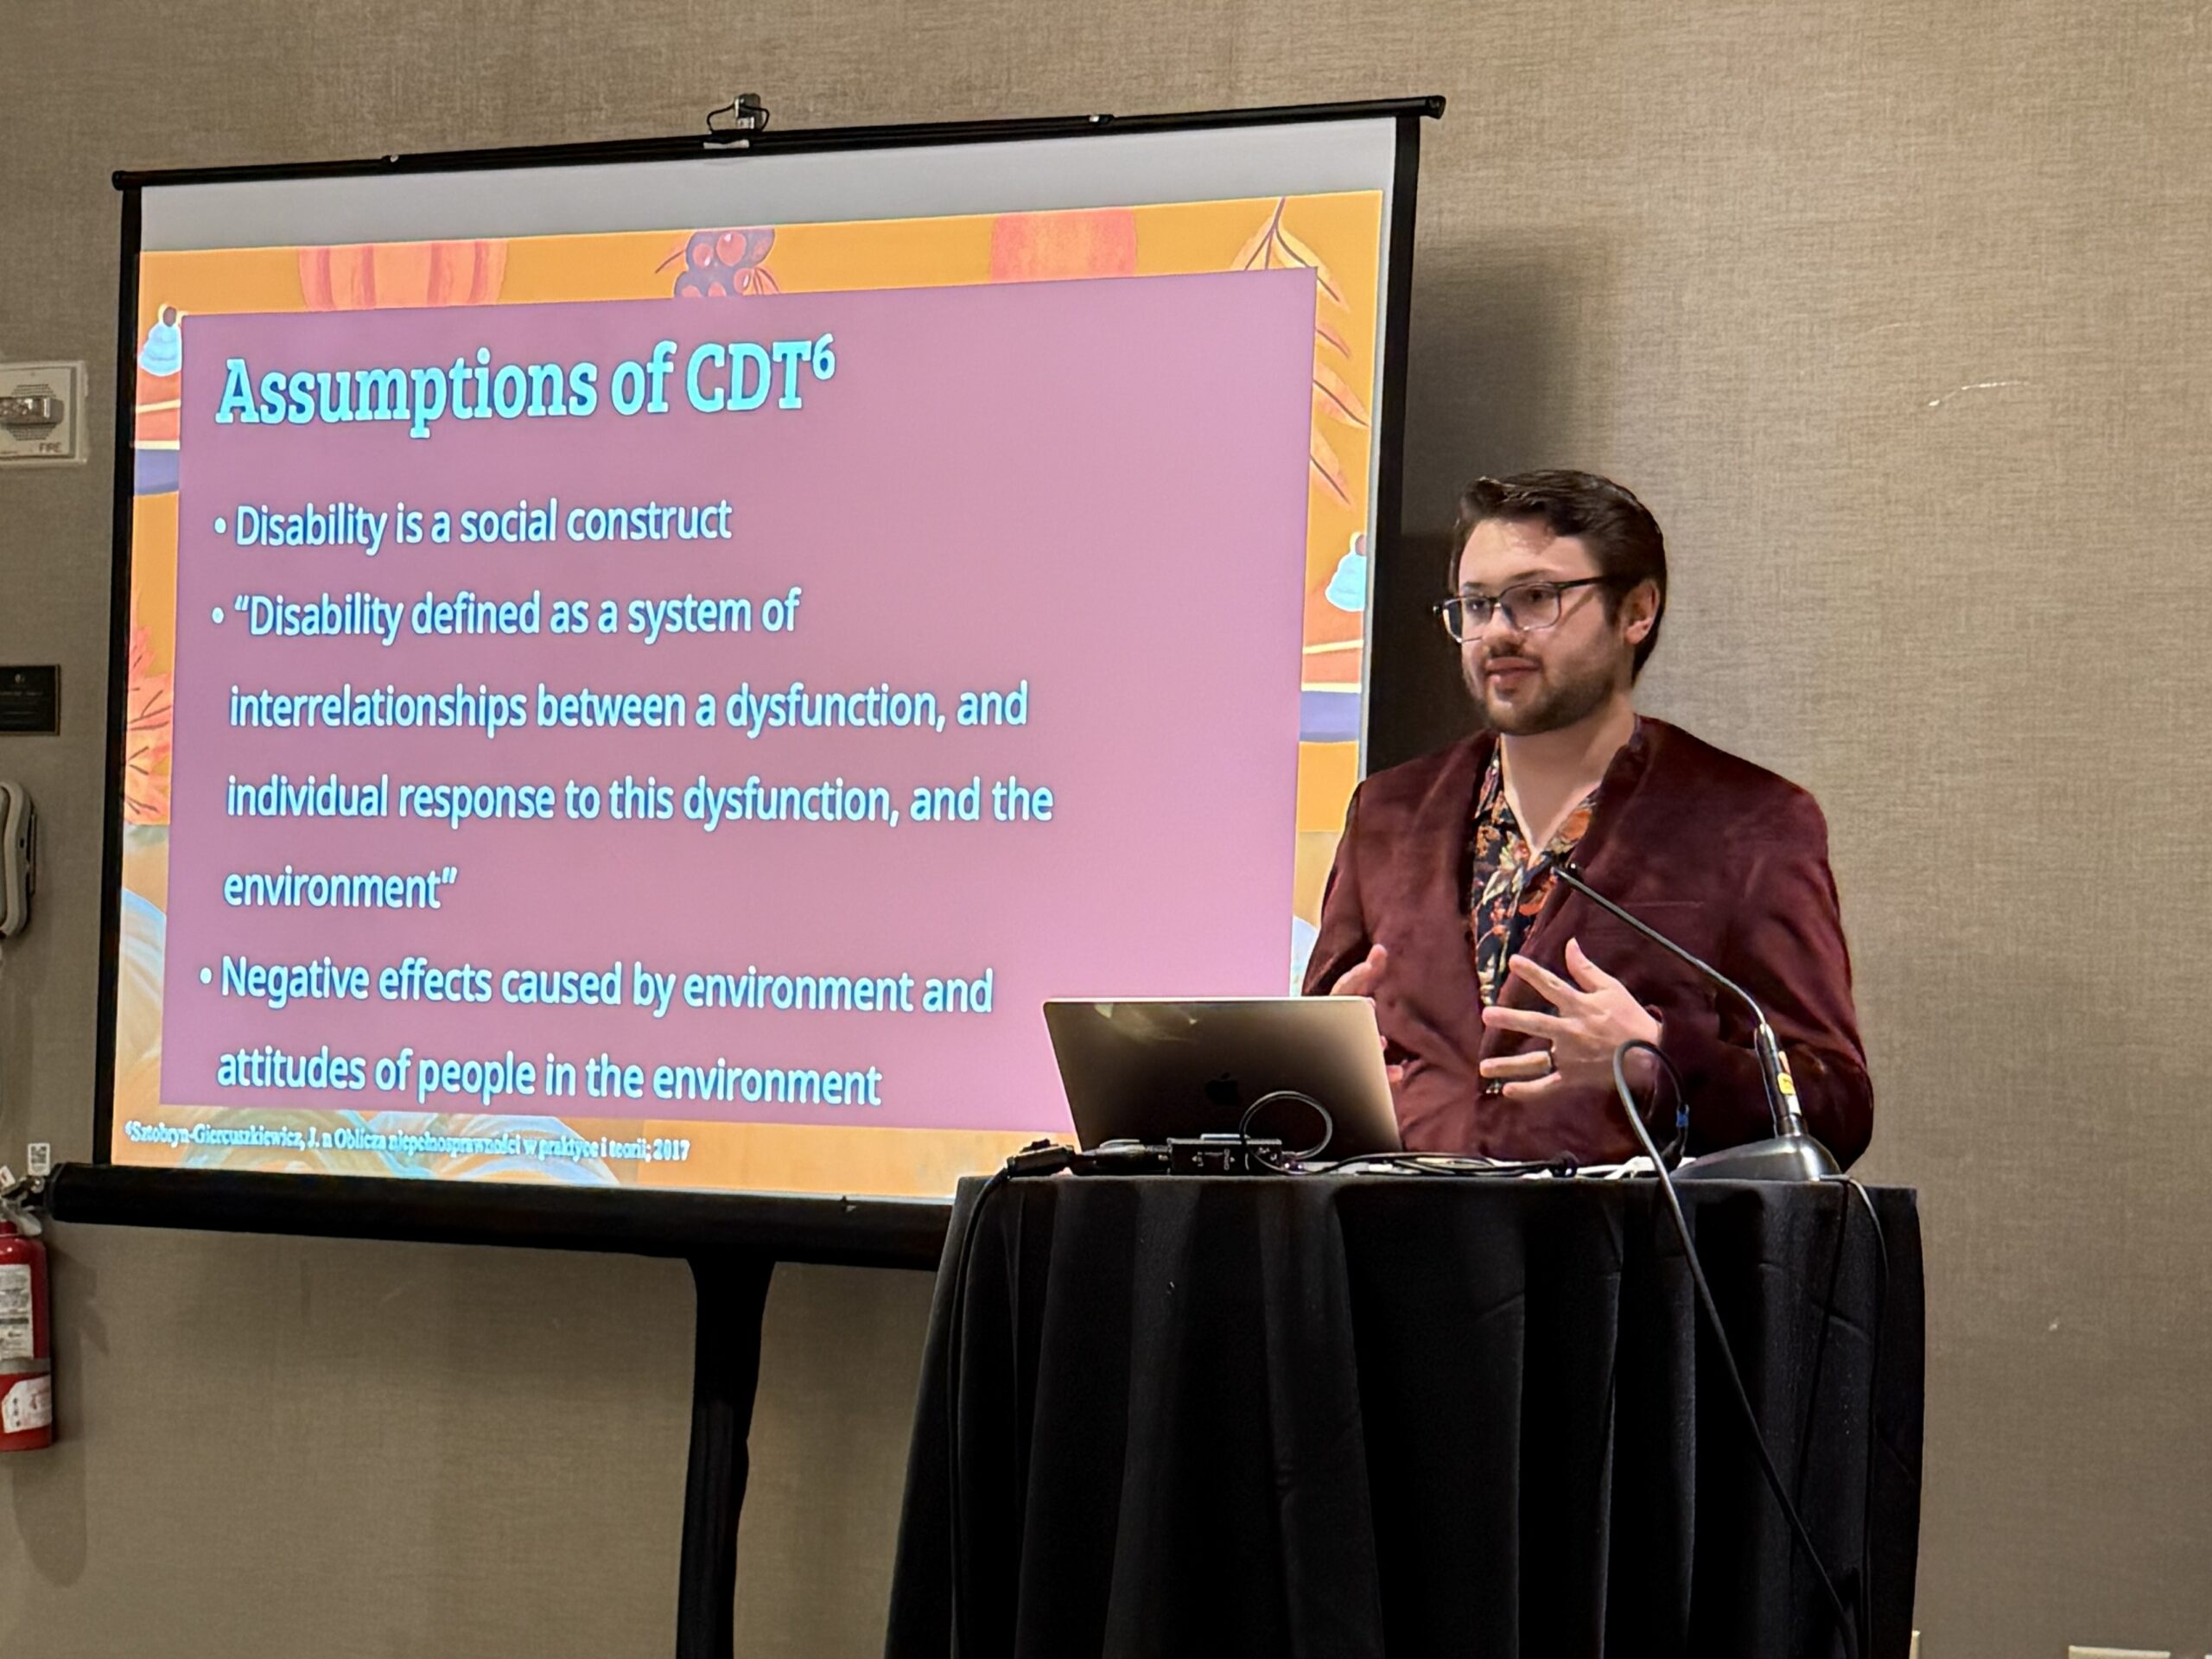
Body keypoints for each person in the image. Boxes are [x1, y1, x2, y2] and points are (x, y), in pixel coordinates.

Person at [1302, 470, 1872, 1166]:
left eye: (1535, 599)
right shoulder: (1388, 812)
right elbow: (1313, 1065)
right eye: (1476, 606)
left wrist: (1656, 1061)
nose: (1497, 633)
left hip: (1620, 1263)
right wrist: (1317, 1069)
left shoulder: (1749, 823)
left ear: (1637, 611)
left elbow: (1836, 1105)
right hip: (1398, 1255)